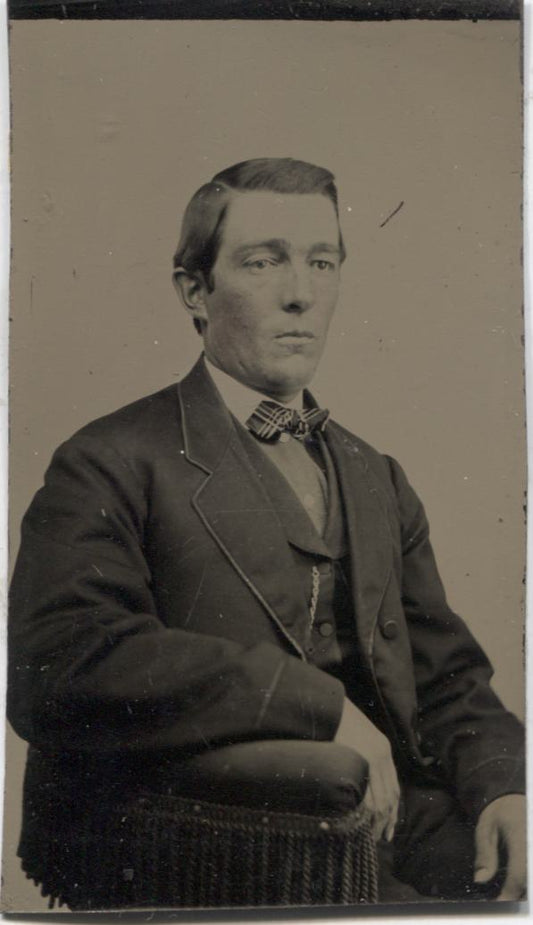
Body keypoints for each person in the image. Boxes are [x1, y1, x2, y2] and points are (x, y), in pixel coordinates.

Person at [8, 157, 526, 907]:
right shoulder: (110, 460)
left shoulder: (374, 474)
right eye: (263, 261)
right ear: (194, 289)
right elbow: (57, 667)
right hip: (222, 832)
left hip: (392, 816)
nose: (300, 294)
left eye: (322, 262)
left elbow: (448, 681)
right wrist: (312, 703)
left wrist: (505, 786)